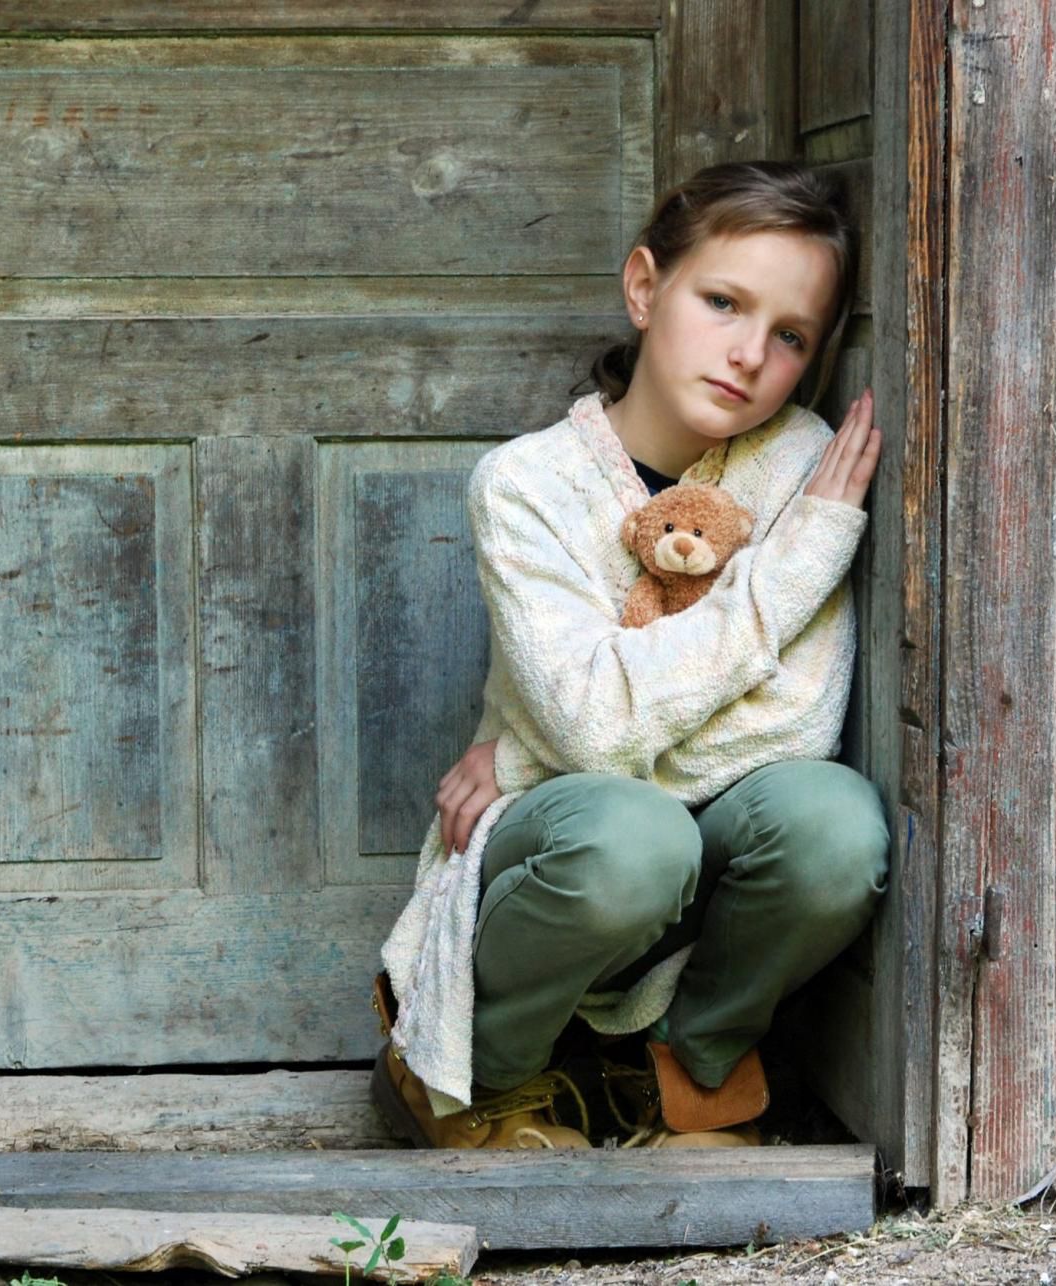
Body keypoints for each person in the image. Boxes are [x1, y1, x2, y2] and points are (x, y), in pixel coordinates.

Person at [372, 161, 891, 1151]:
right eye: (723, 302)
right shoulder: (526, 485)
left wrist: (525, 755)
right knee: (636, 838)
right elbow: (594, 725)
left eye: (789, 336)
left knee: (834, 824)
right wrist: (781, 580)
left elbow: (798, 724)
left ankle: (689, 1071)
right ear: (646, 288)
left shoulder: (800, 467)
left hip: (712, 854)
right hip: (578, 858)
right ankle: (477, 1069)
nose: (747, 353)